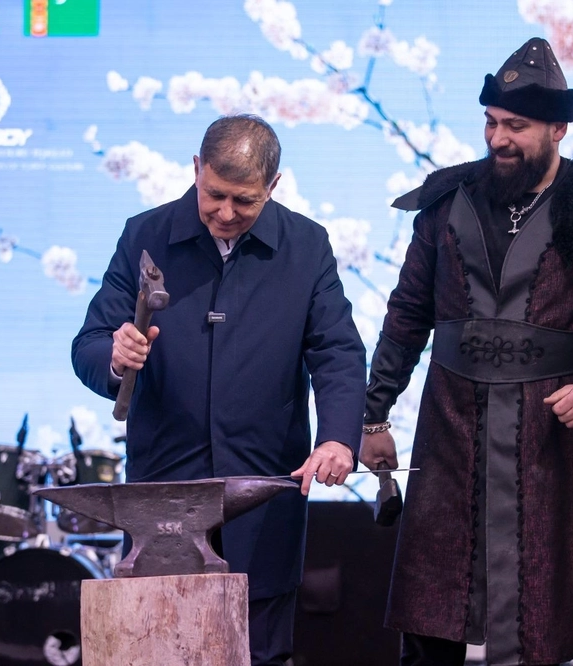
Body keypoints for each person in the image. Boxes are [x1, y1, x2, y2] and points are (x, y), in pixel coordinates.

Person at [359, 38, 573, 666]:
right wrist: (374, 417)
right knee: (430, 619)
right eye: (491, 122)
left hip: (553, 446)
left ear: (559, 128)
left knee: (539, 624)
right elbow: (406, 315)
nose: (498, 139)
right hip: (450, 434)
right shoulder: (447, 200)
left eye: (517, 126)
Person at [71, 114, 366, 666]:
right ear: (196, 169)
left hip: (263, 490)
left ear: (273, 186)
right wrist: (113, 356)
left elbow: (337, 351)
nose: (226, 213)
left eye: (244, 201)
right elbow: (88, 343)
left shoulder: (306, 246)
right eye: (215, 195)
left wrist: (337, 439)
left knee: (262, 653)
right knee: (159, 652)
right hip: (164, 493)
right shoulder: (144, 235)